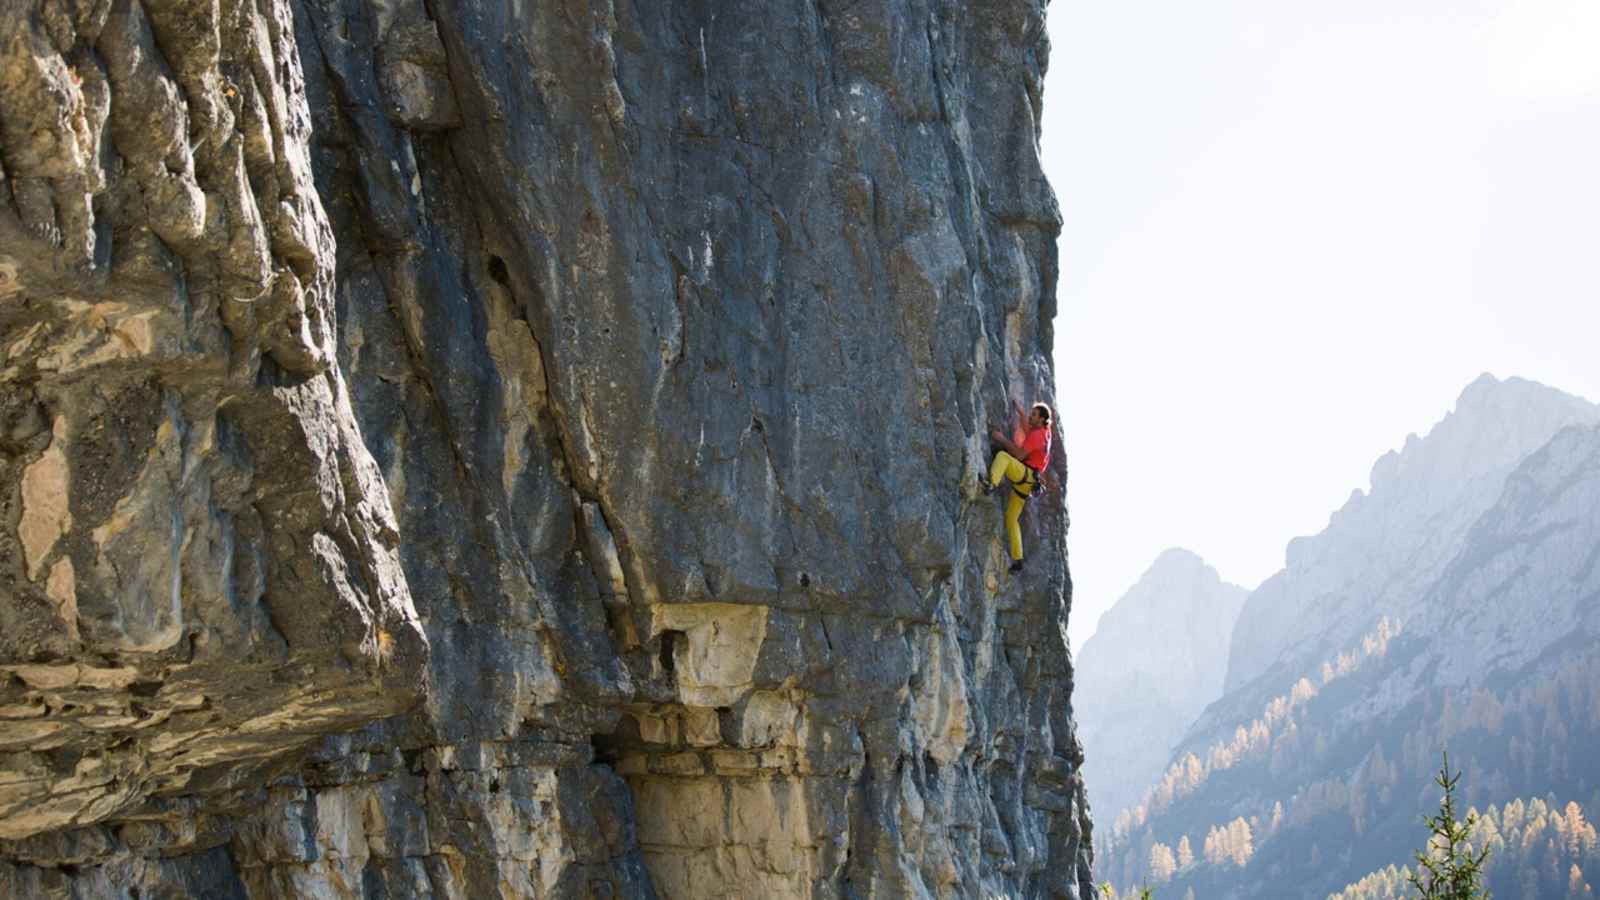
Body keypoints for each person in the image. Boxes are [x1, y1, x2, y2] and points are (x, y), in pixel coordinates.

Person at [983, 400, 1053, 573]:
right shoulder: (1045, 432)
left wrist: (1001, 439)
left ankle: (991, 483)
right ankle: (1018, 560)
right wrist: (1021, 413)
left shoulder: (1038, 435)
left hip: (1026, 475)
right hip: (1029, 484)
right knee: (1011, 518)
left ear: (1042, 419)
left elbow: (1019, 454)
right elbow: (1030, 431)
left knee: (1003, 457)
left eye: (1034, 414)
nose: (1030, 416)